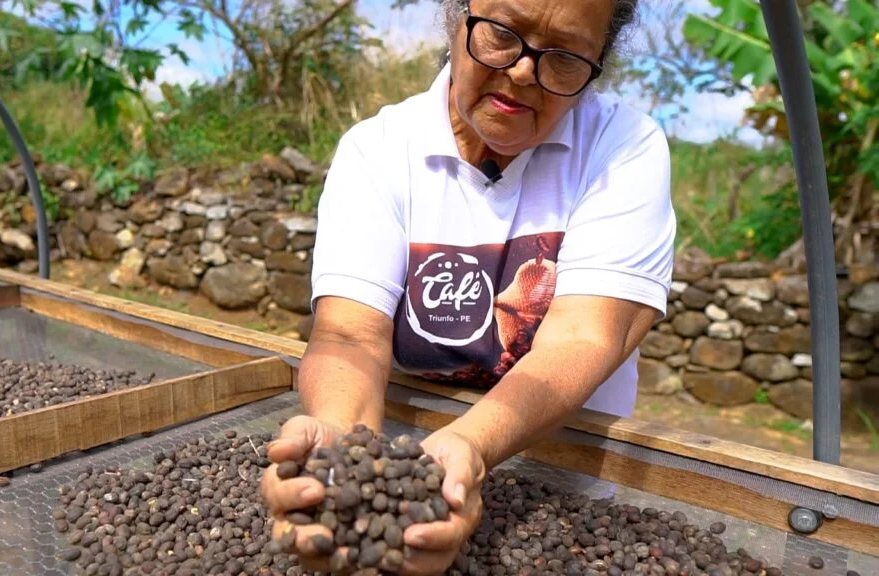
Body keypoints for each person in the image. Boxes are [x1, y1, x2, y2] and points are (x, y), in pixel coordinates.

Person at [261, 0, 675, 573]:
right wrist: (344, 445)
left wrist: (470, 448)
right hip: (407, 453)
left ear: (597, 62)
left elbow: (583, 337)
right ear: (456, 18)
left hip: (562, 487)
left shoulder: (622, 147)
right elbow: (351, 335)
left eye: (564, 58)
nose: (525, 72)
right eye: (503, 33)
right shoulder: (379, 150)